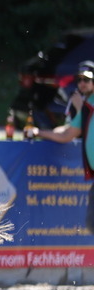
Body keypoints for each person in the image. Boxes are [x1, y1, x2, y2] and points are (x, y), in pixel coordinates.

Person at [28, 67, 94, 233]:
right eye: (79, 80)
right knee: (91, 222)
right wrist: (39, 132)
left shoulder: (84, 105)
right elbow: (67, 133)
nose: (82, 84)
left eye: (86, 80)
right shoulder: (85, 106)